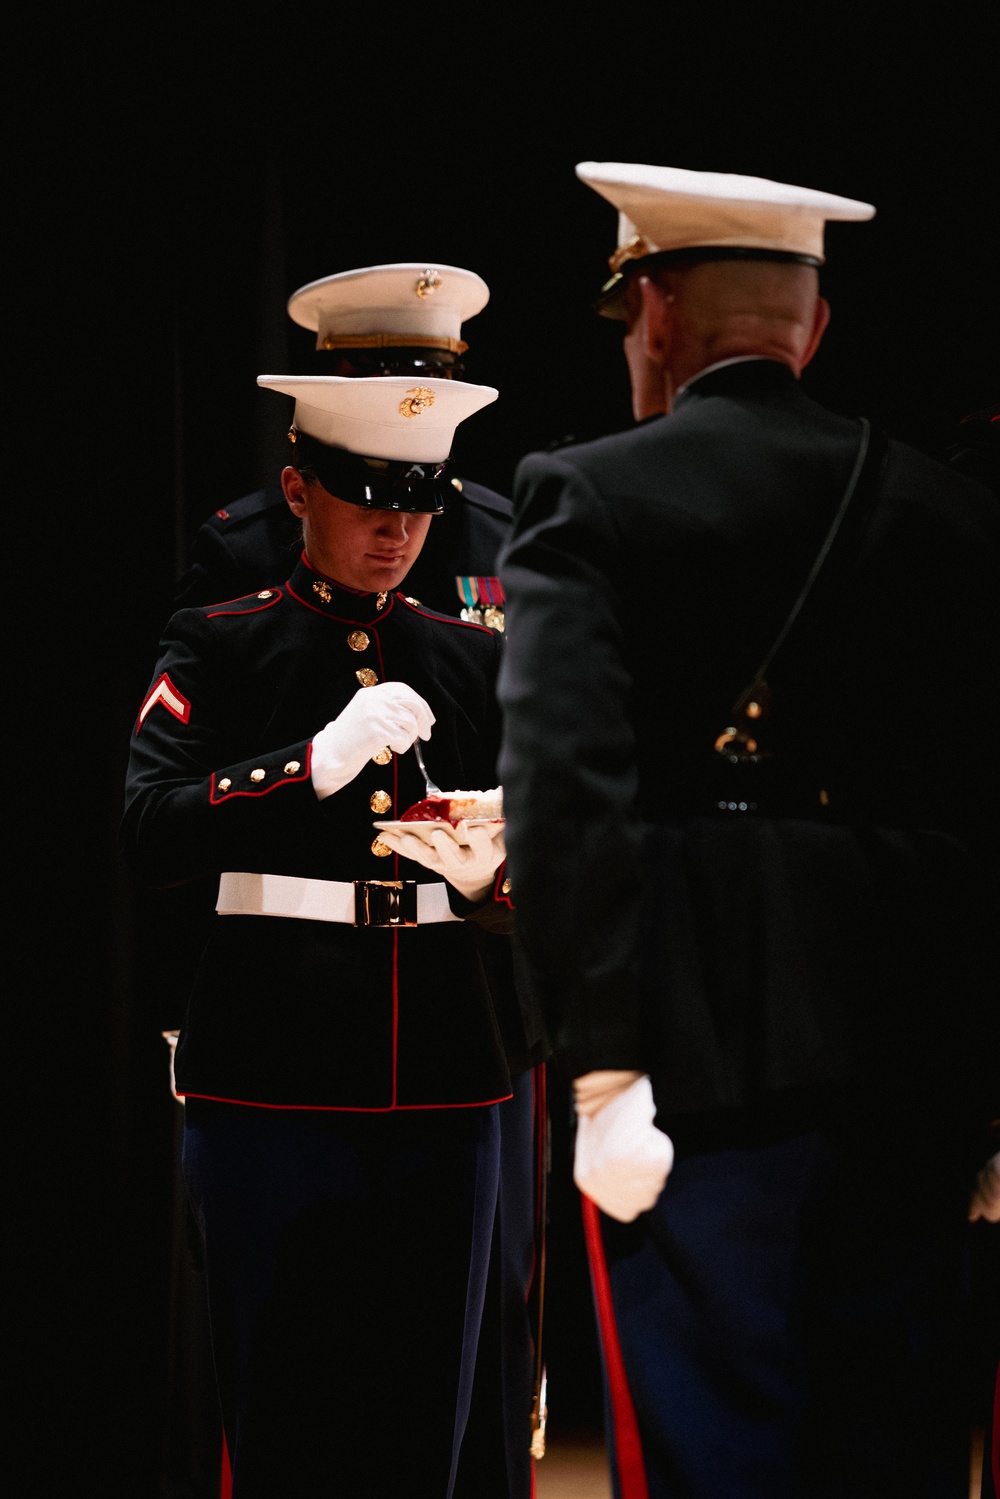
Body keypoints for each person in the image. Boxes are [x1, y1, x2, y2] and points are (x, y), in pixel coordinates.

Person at [495, 160, 999, 1499]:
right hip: (918, 1054)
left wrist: (599, 1070)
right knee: (885, 1451)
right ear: (812, 327)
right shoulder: (953, 514)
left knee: (713, 1450)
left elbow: (565, 789)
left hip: (689, 1056)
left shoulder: (585, 495)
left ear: (655, 310)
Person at [160, 263, 549, 1499]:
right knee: (284, 1407)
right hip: (274, 1052)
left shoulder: (473, 655)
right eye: (366, 492)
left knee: (434, 1410)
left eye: (419, 496)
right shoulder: (222, 641)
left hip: (446, 1056)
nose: (395, 525)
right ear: (297, 487)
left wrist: (504, 870)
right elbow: (149, 825)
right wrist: (307, 764)